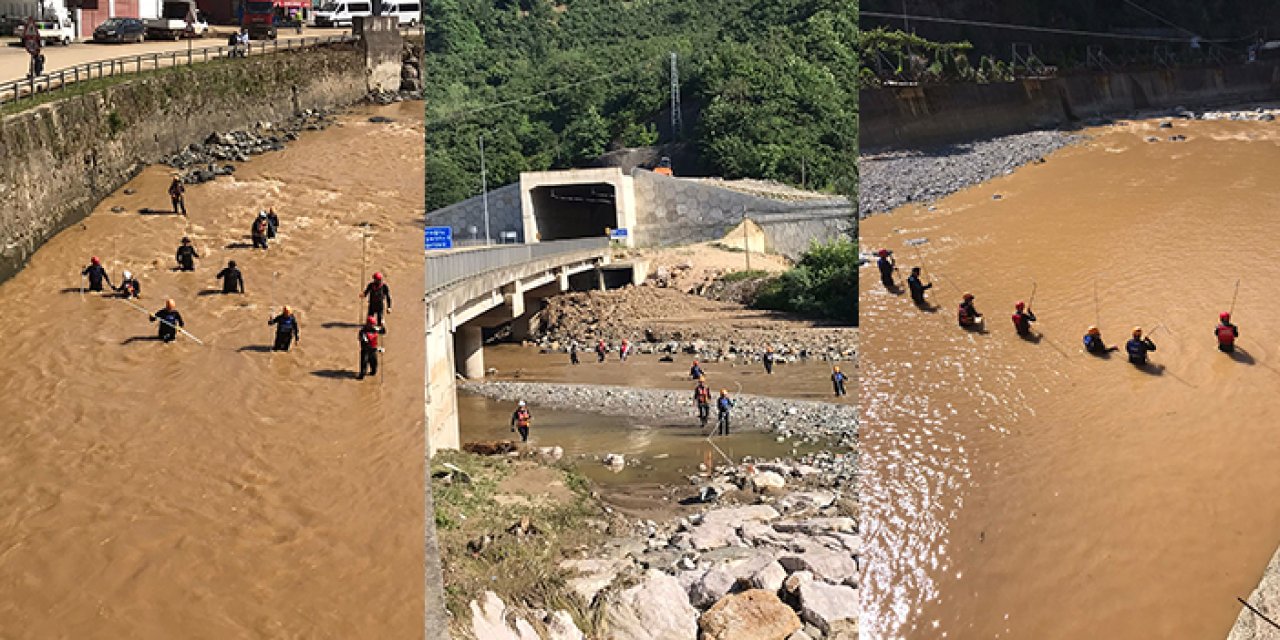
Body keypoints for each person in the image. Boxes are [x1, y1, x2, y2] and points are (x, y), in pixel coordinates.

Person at [357, 315, 386, 380]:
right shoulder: (363, 332)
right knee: (363, 369)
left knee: (374, 370)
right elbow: (366, 345)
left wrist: (383, 325)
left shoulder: (375, 329)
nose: (373, 326)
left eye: (374, 324)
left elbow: (383, 332)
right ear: (368, 324)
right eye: (372, 324)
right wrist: (378, 349)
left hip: (373, 351)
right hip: (366, 351)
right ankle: (361, 376)